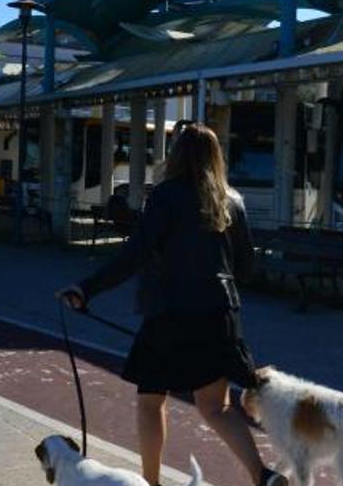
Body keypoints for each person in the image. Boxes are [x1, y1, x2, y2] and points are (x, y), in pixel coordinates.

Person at [55, 123, 286, 486]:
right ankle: (263, 474)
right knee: (216, 406)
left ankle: (151, 483)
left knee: (151, 401)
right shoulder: (232, 201)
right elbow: (246, 268)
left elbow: (134, 254)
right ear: (216, 157)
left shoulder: (165, 196)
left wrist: (86, 288)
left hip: (169, 315)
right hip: (221, 315)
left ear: (176, 155)